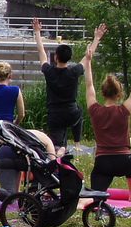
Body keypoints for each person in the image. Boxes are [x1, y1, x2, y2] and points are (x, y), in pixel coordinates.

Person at [84, 42, 131, 197]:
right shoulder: (124, 110)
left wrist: (88, 61)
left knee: (96, 196)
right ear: (119, 94)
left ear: (103, 93)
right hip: (125, 161)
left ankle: (93, 199)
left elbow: (89, 85)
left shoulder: (95, 110)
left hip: (103, 162)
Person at [37, 19, 103, 150]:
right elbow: (88, 58)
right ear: (70, 58)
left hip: (54, 114)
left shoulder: (49, 71)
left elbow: (42, 53)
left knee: (57, 145)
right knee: (79, 112)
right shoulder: (74, 71)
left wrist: (37, 32)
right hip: (71, 113)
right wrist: (96, 38)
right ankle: (77, 143)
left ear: (55, 57)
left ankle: (61, 149)